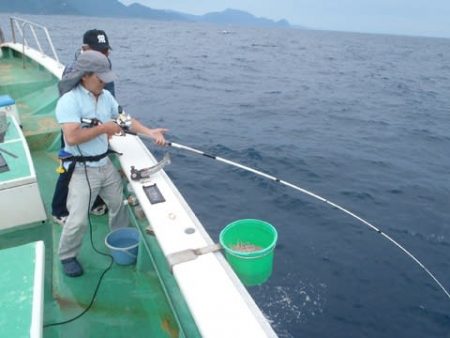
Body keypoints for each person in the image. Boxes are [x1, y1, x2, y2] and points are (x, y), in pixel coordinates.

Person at [56, 50, 167, 277]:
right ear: (85, 75)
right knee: (77, 220)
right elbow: (72, 137)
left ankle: (121, 241)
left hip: (104, 164)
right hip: (81, 169)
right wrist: (104, 129)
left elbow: (123, 119)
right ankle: (67, 255)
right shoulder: (69, 101)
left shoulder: (106, 97)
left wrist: (148, 131)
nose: (105, 82)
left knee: (119, 205)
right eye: (100, 78)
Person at [52, 29, 114, 225]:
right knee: (68, 167)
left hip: (98, 129)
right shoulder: (74, 69)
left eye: (105, 51)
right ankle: (59, 209)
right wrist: (99, 128)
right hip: (75, 126)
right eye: (97, 50)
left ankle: (95, 202)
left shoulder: (104, 67)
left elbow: (109, 97)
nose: (103, 55)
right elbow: (69, 104)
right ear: (84, 49)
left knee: (94, 167)